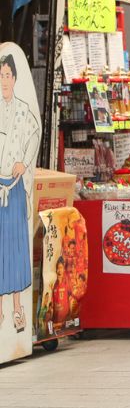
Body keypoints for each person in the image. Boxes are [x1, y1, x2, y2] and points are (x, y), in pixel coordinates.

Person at [0, 53, 40, 333]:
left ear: (15, 78)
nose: (3, 81)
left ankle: (17, 308)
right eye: (0, 76)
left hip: (13, 189)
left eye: (7, 75)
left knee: (14, 247)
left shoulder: (24, 110)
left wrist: (23, 163)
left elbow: (35, 136)